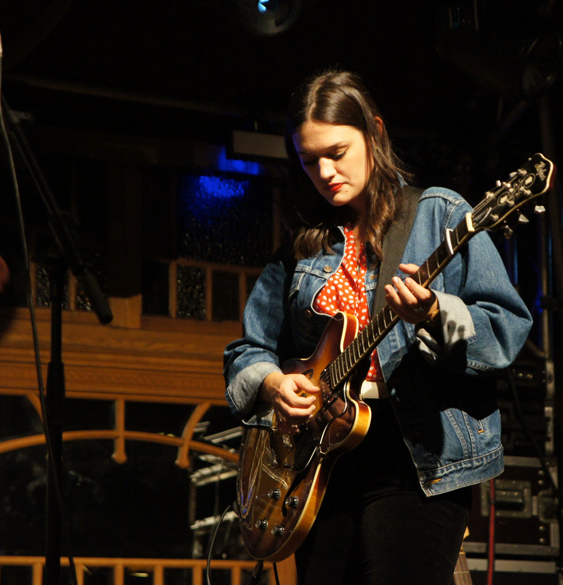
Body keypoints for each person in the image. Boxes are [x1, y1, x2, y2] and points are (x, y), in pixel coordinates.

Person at [223, 69, 533, 585]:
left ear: (376, 134)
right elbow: (247, 349)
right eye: (308, 160)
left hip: (415, 457)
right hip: (319, 462)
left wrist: (435, 312)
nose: (323, 172)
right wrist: (277, 383)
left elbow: (505, 328)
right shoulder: (304, 245)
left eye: (337, 152)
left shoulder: (439, 214)